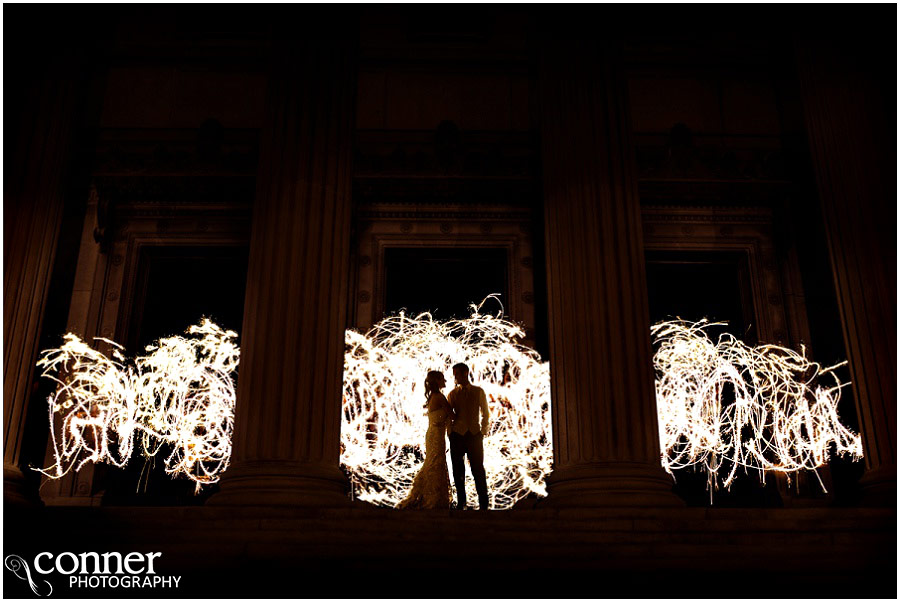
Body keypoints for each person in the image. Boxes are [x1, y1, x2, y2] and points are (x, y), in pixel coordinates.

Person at [397, 370, 455, 510]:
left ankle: (429, 495)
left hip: (433, 434)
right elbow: (452, 415)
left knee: (433, 462)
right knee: (436, 463)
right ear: (437, 381)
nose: (445, 381)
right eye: (442, 379)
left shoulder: (433, 396)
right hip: (436, 436)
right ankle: (433, 499)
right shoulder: (439, 397)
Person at [447, 362, 490, 510]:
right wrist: (450, 433)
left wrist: (482, 432)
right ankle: (461, 502)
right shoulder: (452, 394)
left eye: (457, 374)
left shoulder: (478, 392)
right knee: (458, 471)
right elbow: (448, 415)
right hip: (457, 436)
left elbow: (485, 412)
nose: (455, 377)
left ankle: (484, 502)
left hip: (474, 435)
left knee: (478, 469)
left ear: (465, 373)